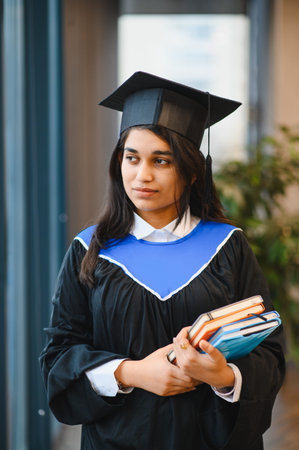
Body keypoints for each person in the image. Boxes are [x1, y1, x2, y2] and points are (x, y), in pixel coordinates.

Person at [40, 72, 285, 450]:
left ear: (190, 172)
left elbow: (268, 349)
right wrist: (132, 373)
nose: (142, 175)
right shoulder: (90, 250)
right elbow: (59, 357)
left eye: (162, 160)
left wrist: (224, 376)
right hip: (116, 441)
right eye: (132, 158)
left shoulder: (227, 246)